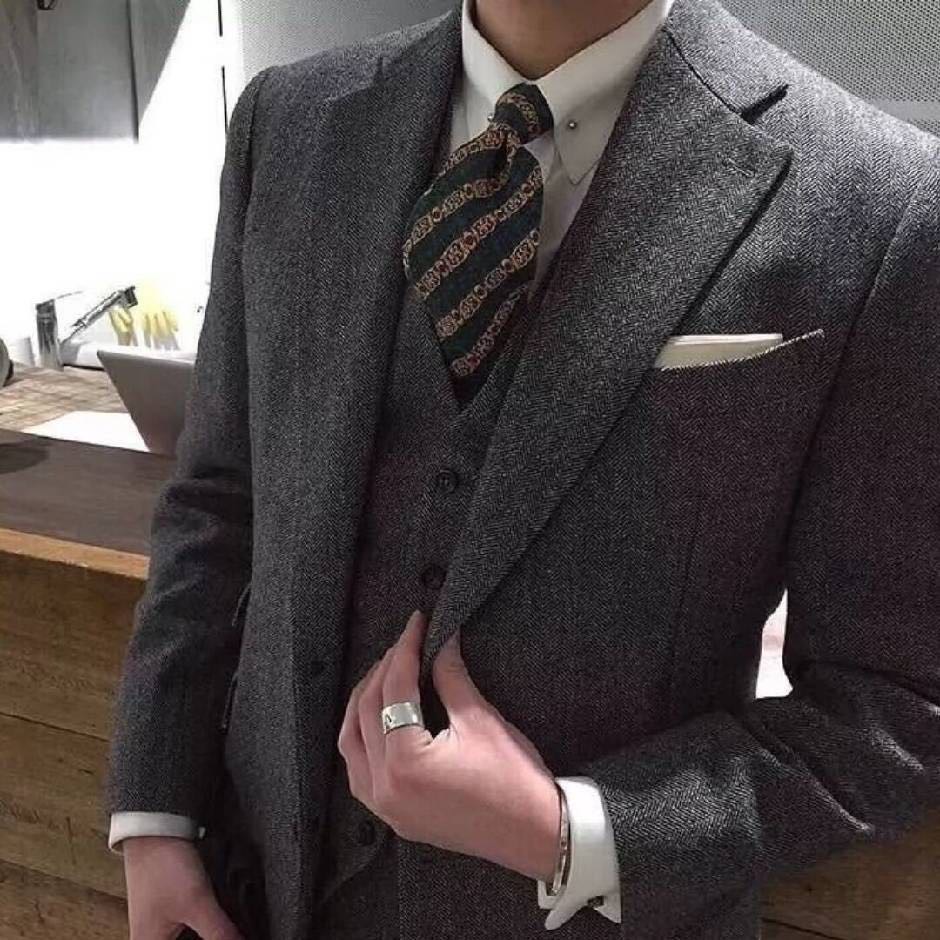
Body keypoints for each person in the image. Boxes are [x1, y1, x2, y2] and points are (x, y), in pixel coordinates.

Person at [104, 0, 940, 937]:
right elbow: (218, 506)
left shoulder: (883, 199)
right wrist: (155, 815)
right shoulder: (287, 123)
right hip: (258, 898)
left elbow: (897, 704)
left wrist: (576, 831)